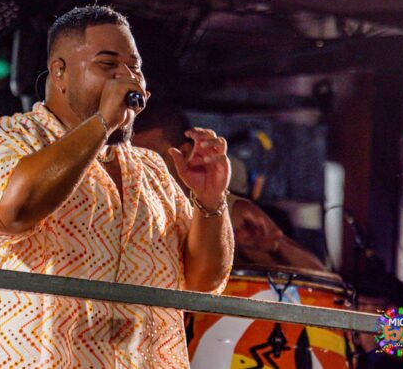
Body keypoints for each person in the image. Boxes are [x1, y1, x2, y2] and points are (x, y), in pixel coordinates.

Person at [0, 5, 234, 368]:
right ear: (59, 72)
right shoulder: (0, 141)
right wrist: (102, 123)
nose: (126, 78)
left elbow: (204, 282)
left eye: (134, 68)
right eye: (107, 65)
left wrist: (210, 201)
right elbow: (16, 212)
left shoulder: (153, 170)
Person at [131, 98, 326, 272]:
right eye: (128, 161)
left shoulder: (231, 212)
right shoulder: (122, 210)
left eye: (150, 160)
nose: (137, 172)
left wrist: (275, 247)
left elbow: (320, 278)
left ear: (185, 153)